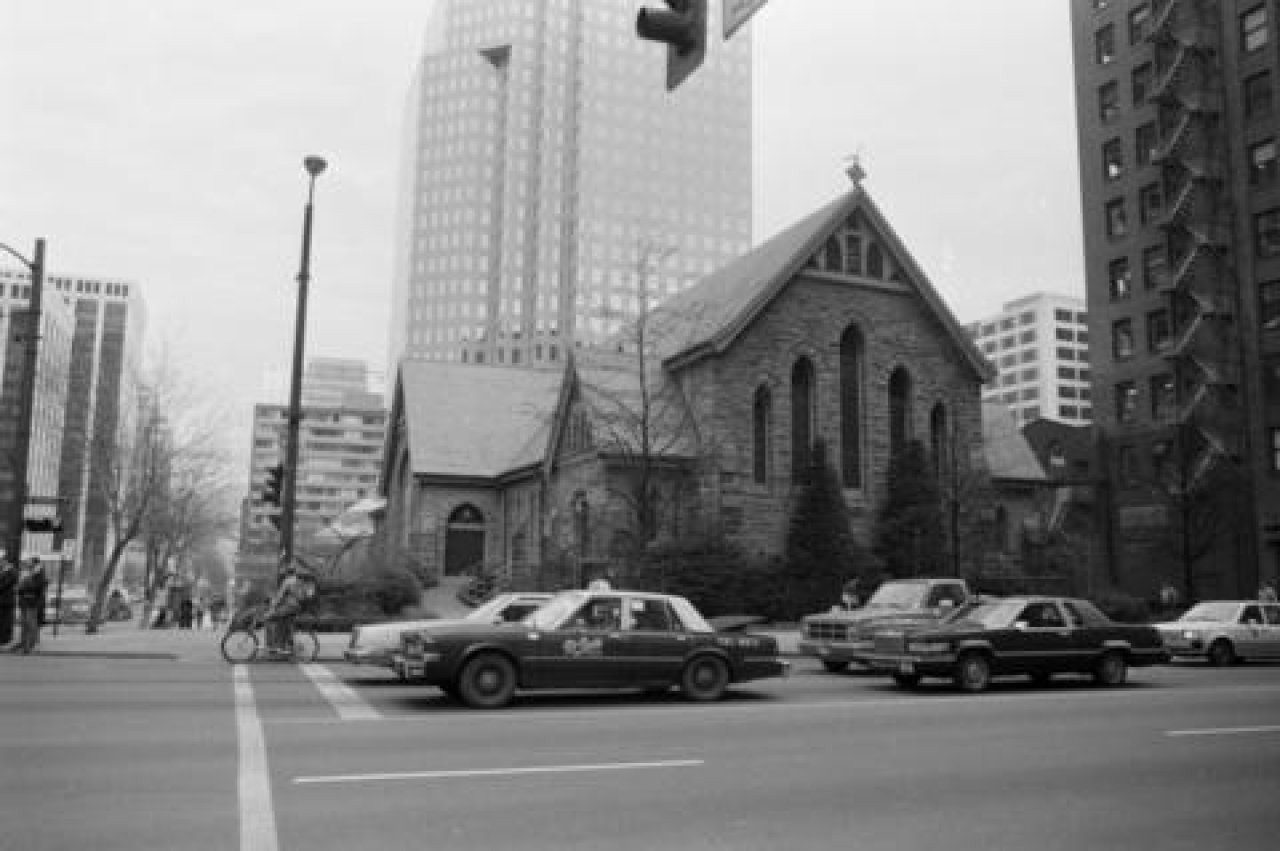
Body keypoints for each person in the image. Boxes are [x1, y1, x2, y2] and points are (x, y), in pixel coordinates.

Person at [263, 568, 308, 654]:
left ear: (286, 574)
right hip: (297, 607)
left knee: (269, 618)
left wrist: (272, 605)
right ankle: (285, 644)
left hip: (290, 606)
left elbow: (280, 596)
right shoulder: (299, 581)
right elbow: (303, 594)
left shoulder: (288, 581)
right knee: (284, 622)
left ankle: (276, 645)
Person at [14, 558, 47, 654]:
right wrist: (21, 587)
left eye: (30, 562)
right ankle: (24, 644)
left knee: (30, 624)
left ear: (35, 564)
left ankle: (29, 646)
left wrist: (22, 587)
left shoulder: (39, 574)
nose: (28, 564)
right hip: (25, 602)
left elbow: (36, 587)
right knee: (24, 624)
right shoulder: (30, 573)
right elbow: (21, 587)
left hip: (32, 602)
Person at [0, 553, 17, 648]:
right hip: (3, 600)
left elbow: (5, 584)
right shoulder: (4, 571)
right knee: (2, 620)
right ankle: (3, 638)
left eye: (2, 561)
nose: (0, 563)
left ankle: (5, 639)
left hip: (7, 600)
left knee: (6, 620)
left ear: (6, 561)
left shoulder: (11, 571)